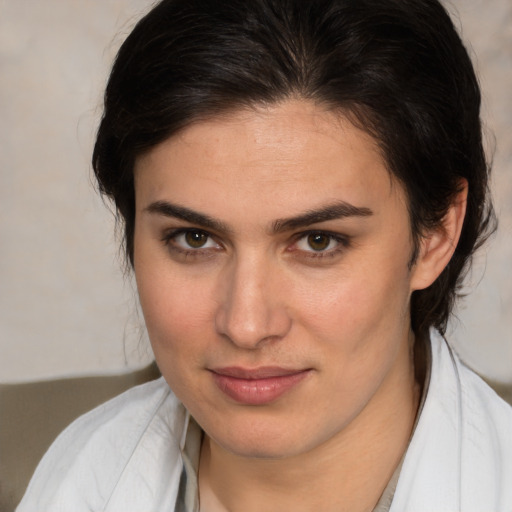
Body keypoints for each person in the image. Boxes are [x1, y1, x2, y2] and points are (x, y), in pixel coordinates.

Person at [16, 0, 512, 511]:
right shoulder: (38, 473)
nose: (246, 325)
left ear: (435, 235)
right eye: (193, 238)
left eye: (318, 241)